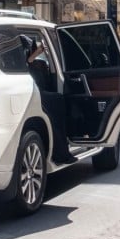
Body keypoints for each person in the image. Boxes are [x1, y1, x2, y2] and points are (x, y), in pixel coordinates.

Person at [21, 35, 76, 164]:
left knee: (58, 102)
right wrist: (33, 57)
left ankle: (63, 149)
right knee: (57, 103)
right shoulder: (26, 62)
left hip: (37, 94)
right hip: (33, 95)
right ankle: (61, 152)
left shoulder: (37, 63)